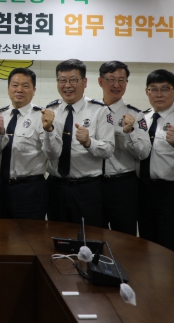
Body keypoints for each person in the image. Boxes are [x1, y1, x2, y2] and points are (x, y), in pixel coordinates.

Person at [45, 59, 114, 227]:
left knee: (89, 237)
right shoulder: (50, 110)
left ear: (84, 82)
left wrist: (89, 142)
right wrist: (48, 130)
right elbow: (50, 153)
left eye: (73, 80)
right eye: (62, 80)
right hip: (56, 187)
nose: (67, 85)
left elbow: (108, 150)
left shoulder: (100, 110)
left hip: (87, 189)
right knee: (57, 236)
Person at [138, 69, 174, 258]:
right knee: (147, 243)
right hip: (143, 190)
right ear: (147, 92)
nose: (159, 94)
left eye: (165, 89)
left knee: (172, 246)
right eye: (153, 89)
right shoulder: (142, 118)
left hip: (171, 192)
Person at [0, 68, 55, 220]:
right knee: (4, 233)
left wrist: (49, 130)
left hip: (30, 189)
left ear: (34, 90)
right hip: (3, 187)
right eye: (15, 85)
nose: (19, 90)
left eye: (25, 86)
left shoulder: (42, 117)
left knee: (30, 233)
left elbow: (53, 154)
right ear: (8, 89)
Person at [97, 61, 151, 235]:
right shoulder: (92, 111)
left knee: (125, 237)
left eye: (122, 80)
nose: (116, 85)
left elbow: (143, 153)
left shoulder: (135, 114)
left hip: (123, 185)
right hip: (94, 184)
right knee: (95, 236)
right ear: (100, 81)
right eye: (111, 79)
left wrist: (130, 132)